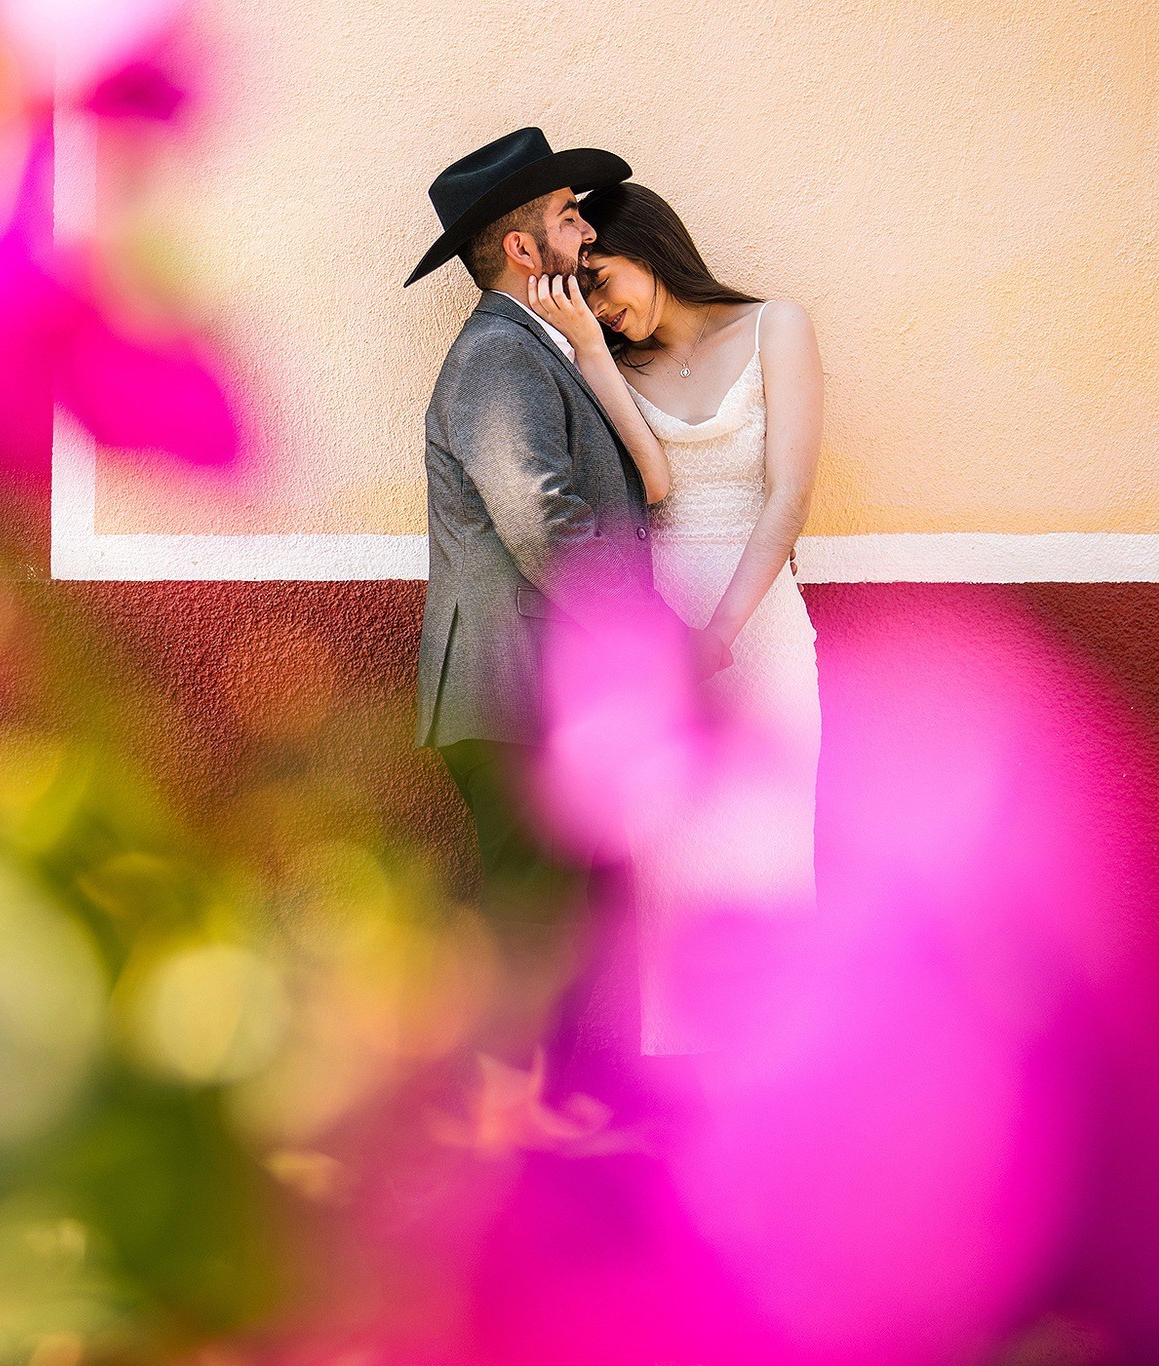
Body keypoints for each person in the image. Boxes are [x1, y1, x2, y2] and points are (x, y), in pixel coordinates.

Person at [529, 181, 824, 1056]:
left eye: (603, 280)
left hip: (758, 622)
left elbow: (789, 495)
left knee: (769, 846)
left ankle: (779, 1066)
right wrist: (588, 350)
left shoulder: (777, 327)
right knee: (671, 866)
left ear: (651, 247)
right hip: (660, 629)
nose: (604, 309)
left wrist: (723, 634)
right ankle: (681, 1081)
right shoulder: (615, 360)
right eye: (585, 302)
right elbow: (654, 481)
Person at [406, 128, 668, 1107]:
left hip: (536, 693)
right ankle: (516, 1154)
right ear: (523, 249)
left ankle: (562, 1138)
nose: (584, 231)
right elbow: (546, 525)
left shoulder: (530, 350)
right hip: (512, 692)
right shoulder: (497, 357)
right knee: (533, 932)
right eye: (566, 217)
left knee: (567, 932)